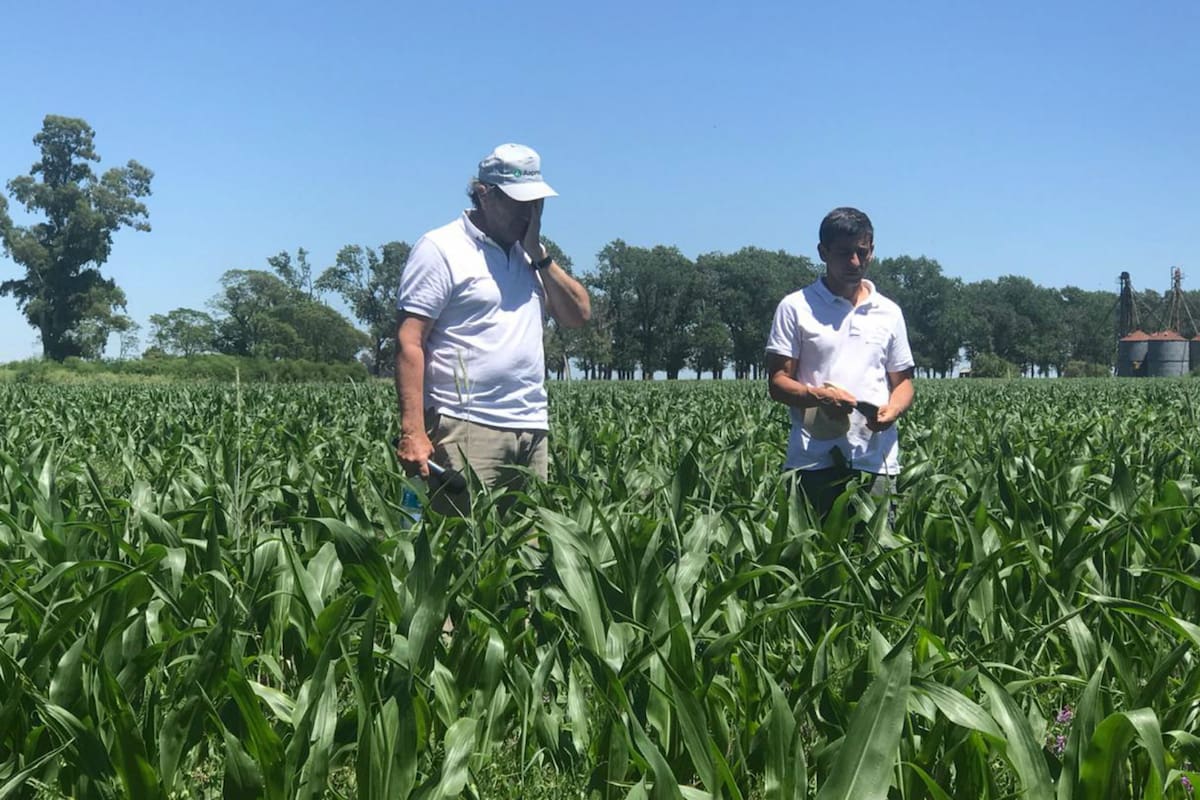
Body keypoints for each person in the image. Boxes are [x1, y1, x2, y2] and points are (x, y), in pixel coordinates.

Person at [394, 143, 591, 514]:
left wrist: (539, 254)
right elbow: (410, 341)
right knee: (462, 552)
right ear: (484, 195)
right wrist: (413, 432)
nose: (530, 213)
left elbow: (578, 314)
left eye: (536, 203)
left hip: (530, 427)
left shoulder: (531, 255)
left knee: (525, 556)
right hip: (466, 425)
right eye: (520, 202)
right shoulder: (441, 248)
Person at [765, 207, 915, 519]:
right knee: (813, 558)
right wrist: (820, 396)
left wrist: (893, 410)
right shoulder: (795, 307)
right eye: (844, 253)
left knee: (875, 559)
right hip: (812, 461)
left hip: (876, 464)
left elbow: (902, 383)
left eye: (862, 252)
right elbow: (778, 382)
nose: (855, 263)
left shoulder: (889, 311)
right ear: (823, 252)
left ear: (871, 251)